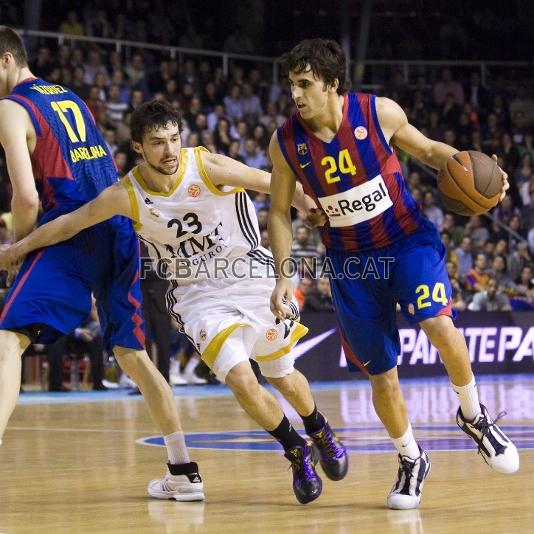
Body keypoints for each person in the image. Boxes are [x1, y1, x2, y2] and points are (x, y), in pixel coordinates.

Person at [0, 100, 348, 505]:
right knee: (240, 379)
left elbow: (274, 183)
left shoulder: (208, 166)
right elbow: (69, 223)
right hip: (197, 293)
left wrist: (306, 204)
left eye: (174, 139)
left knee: (283, 376)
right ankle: (295, 449)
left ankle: (318, 427)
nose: (169, 151)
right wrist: (17, 249)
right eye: (157, 143)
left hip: (248, 276)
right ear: (138, 147)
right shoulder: (126, 194)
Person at [268, 39, 518, 511]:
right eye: (292, 85)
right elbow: (279, 211)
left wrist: (481, 168)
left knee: (438, 322)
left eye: (305, 84)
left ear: (332, 84)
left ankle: (474, 416)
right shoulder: (286, 143)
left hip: (406, 240)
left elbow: (428, 152)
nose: (296, 94)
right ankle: (411, 458)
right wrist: (283, 274)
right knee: (382, 375)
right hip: (350, 263)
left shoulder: (377, 113)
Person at [0, 27, 204, 501]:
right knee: (133, 356)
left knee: (8, 339)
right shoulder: (69, 96)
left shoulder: (11, 107)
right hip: (117, 224)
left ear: (7, 59)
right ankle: (183, 469)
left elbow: (27, 196)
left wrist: (17, 249)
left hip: (71, 228)